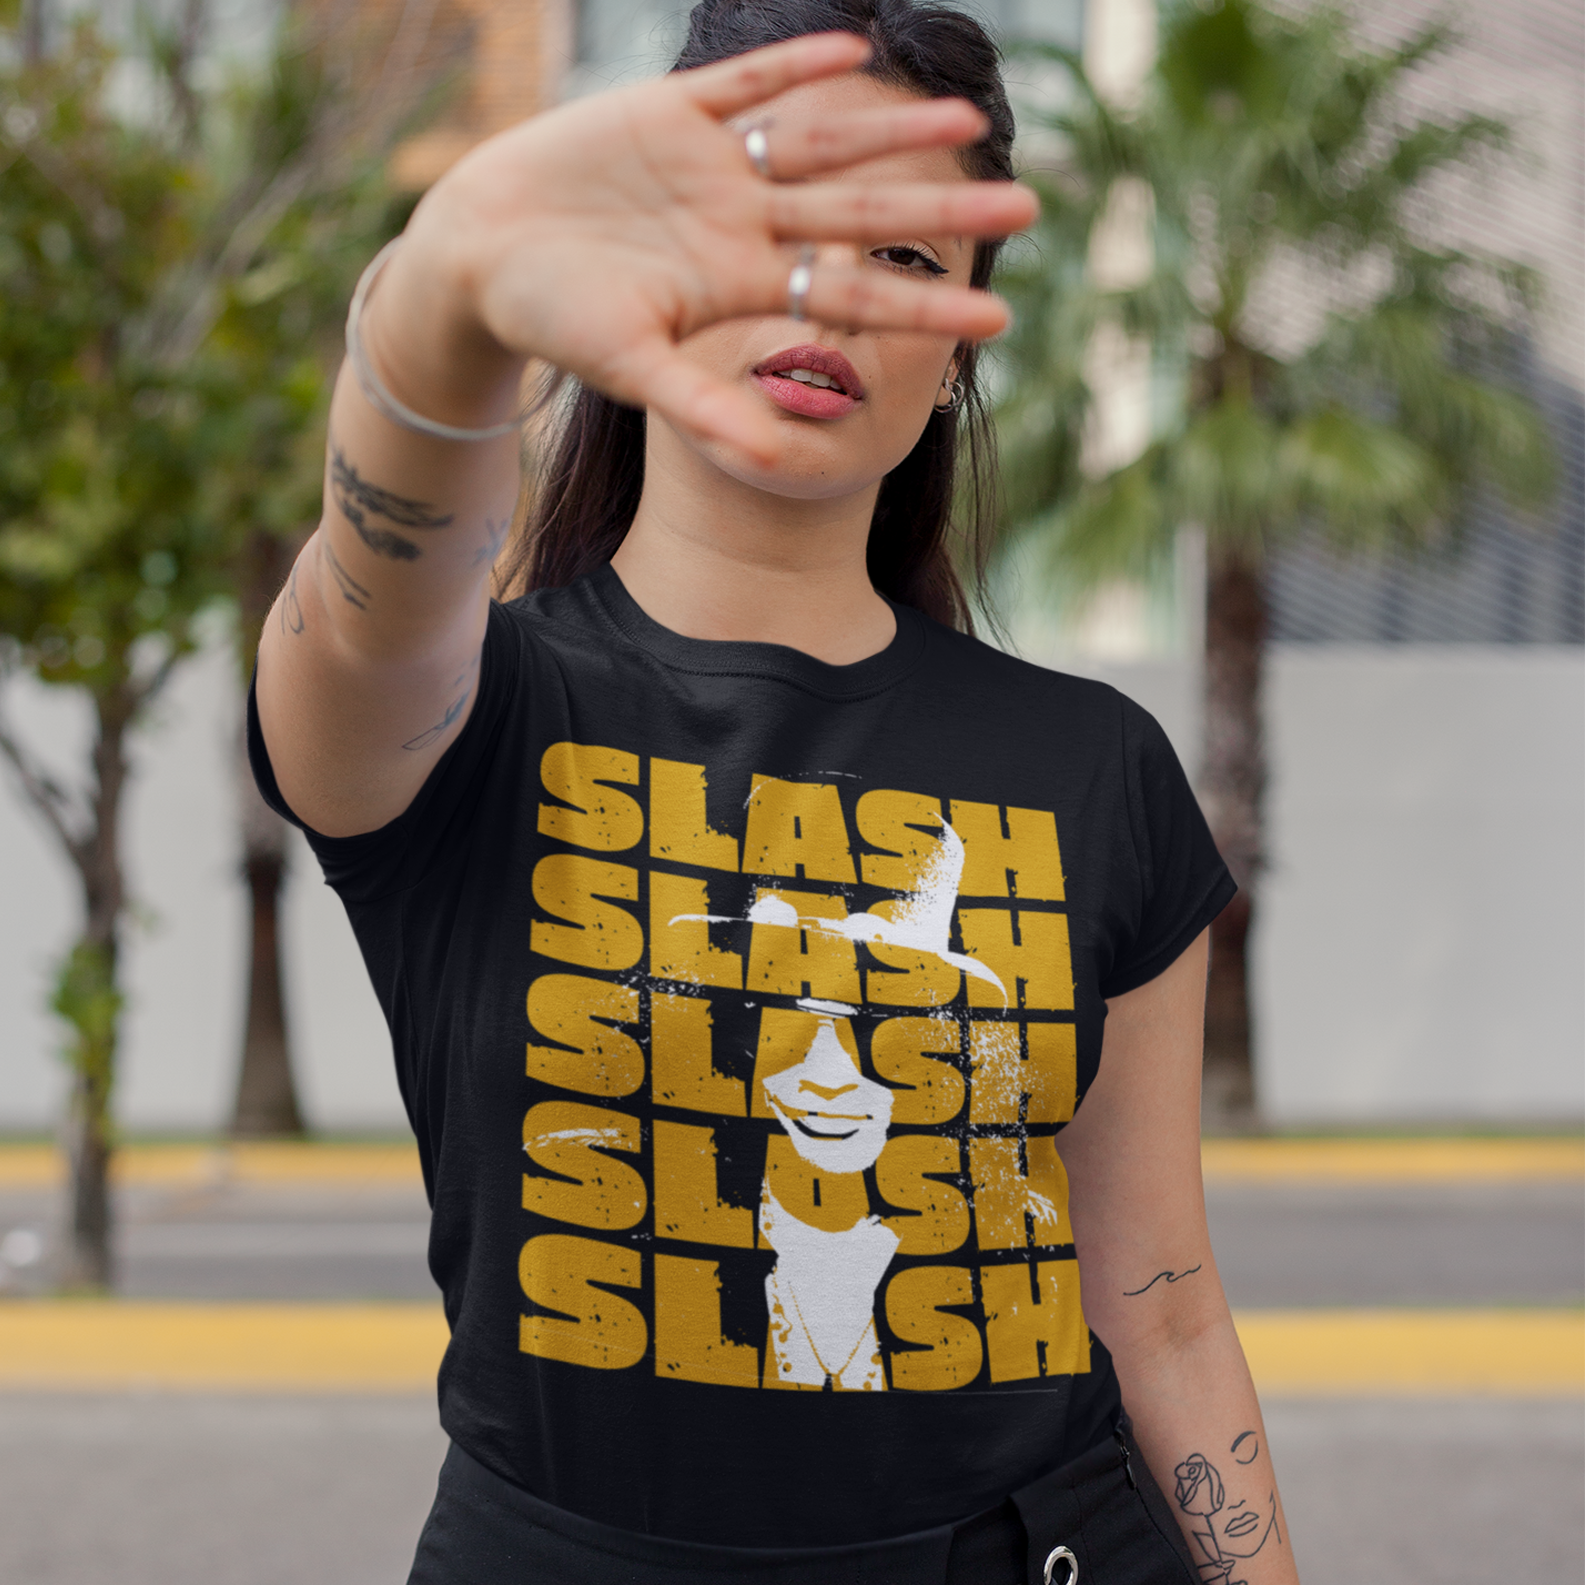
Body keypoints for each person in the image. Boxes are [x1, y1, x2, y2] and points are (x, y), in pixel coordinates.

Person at [250, 2, 1300, 1581]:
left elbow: (1162, 1305)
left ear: (960, 347)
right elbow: (371, 592)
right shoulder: (466, 715)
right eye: (769, 225)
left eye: (904, 255)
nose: (828, 290)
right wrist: (444, 288)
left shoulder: (1095, 767)